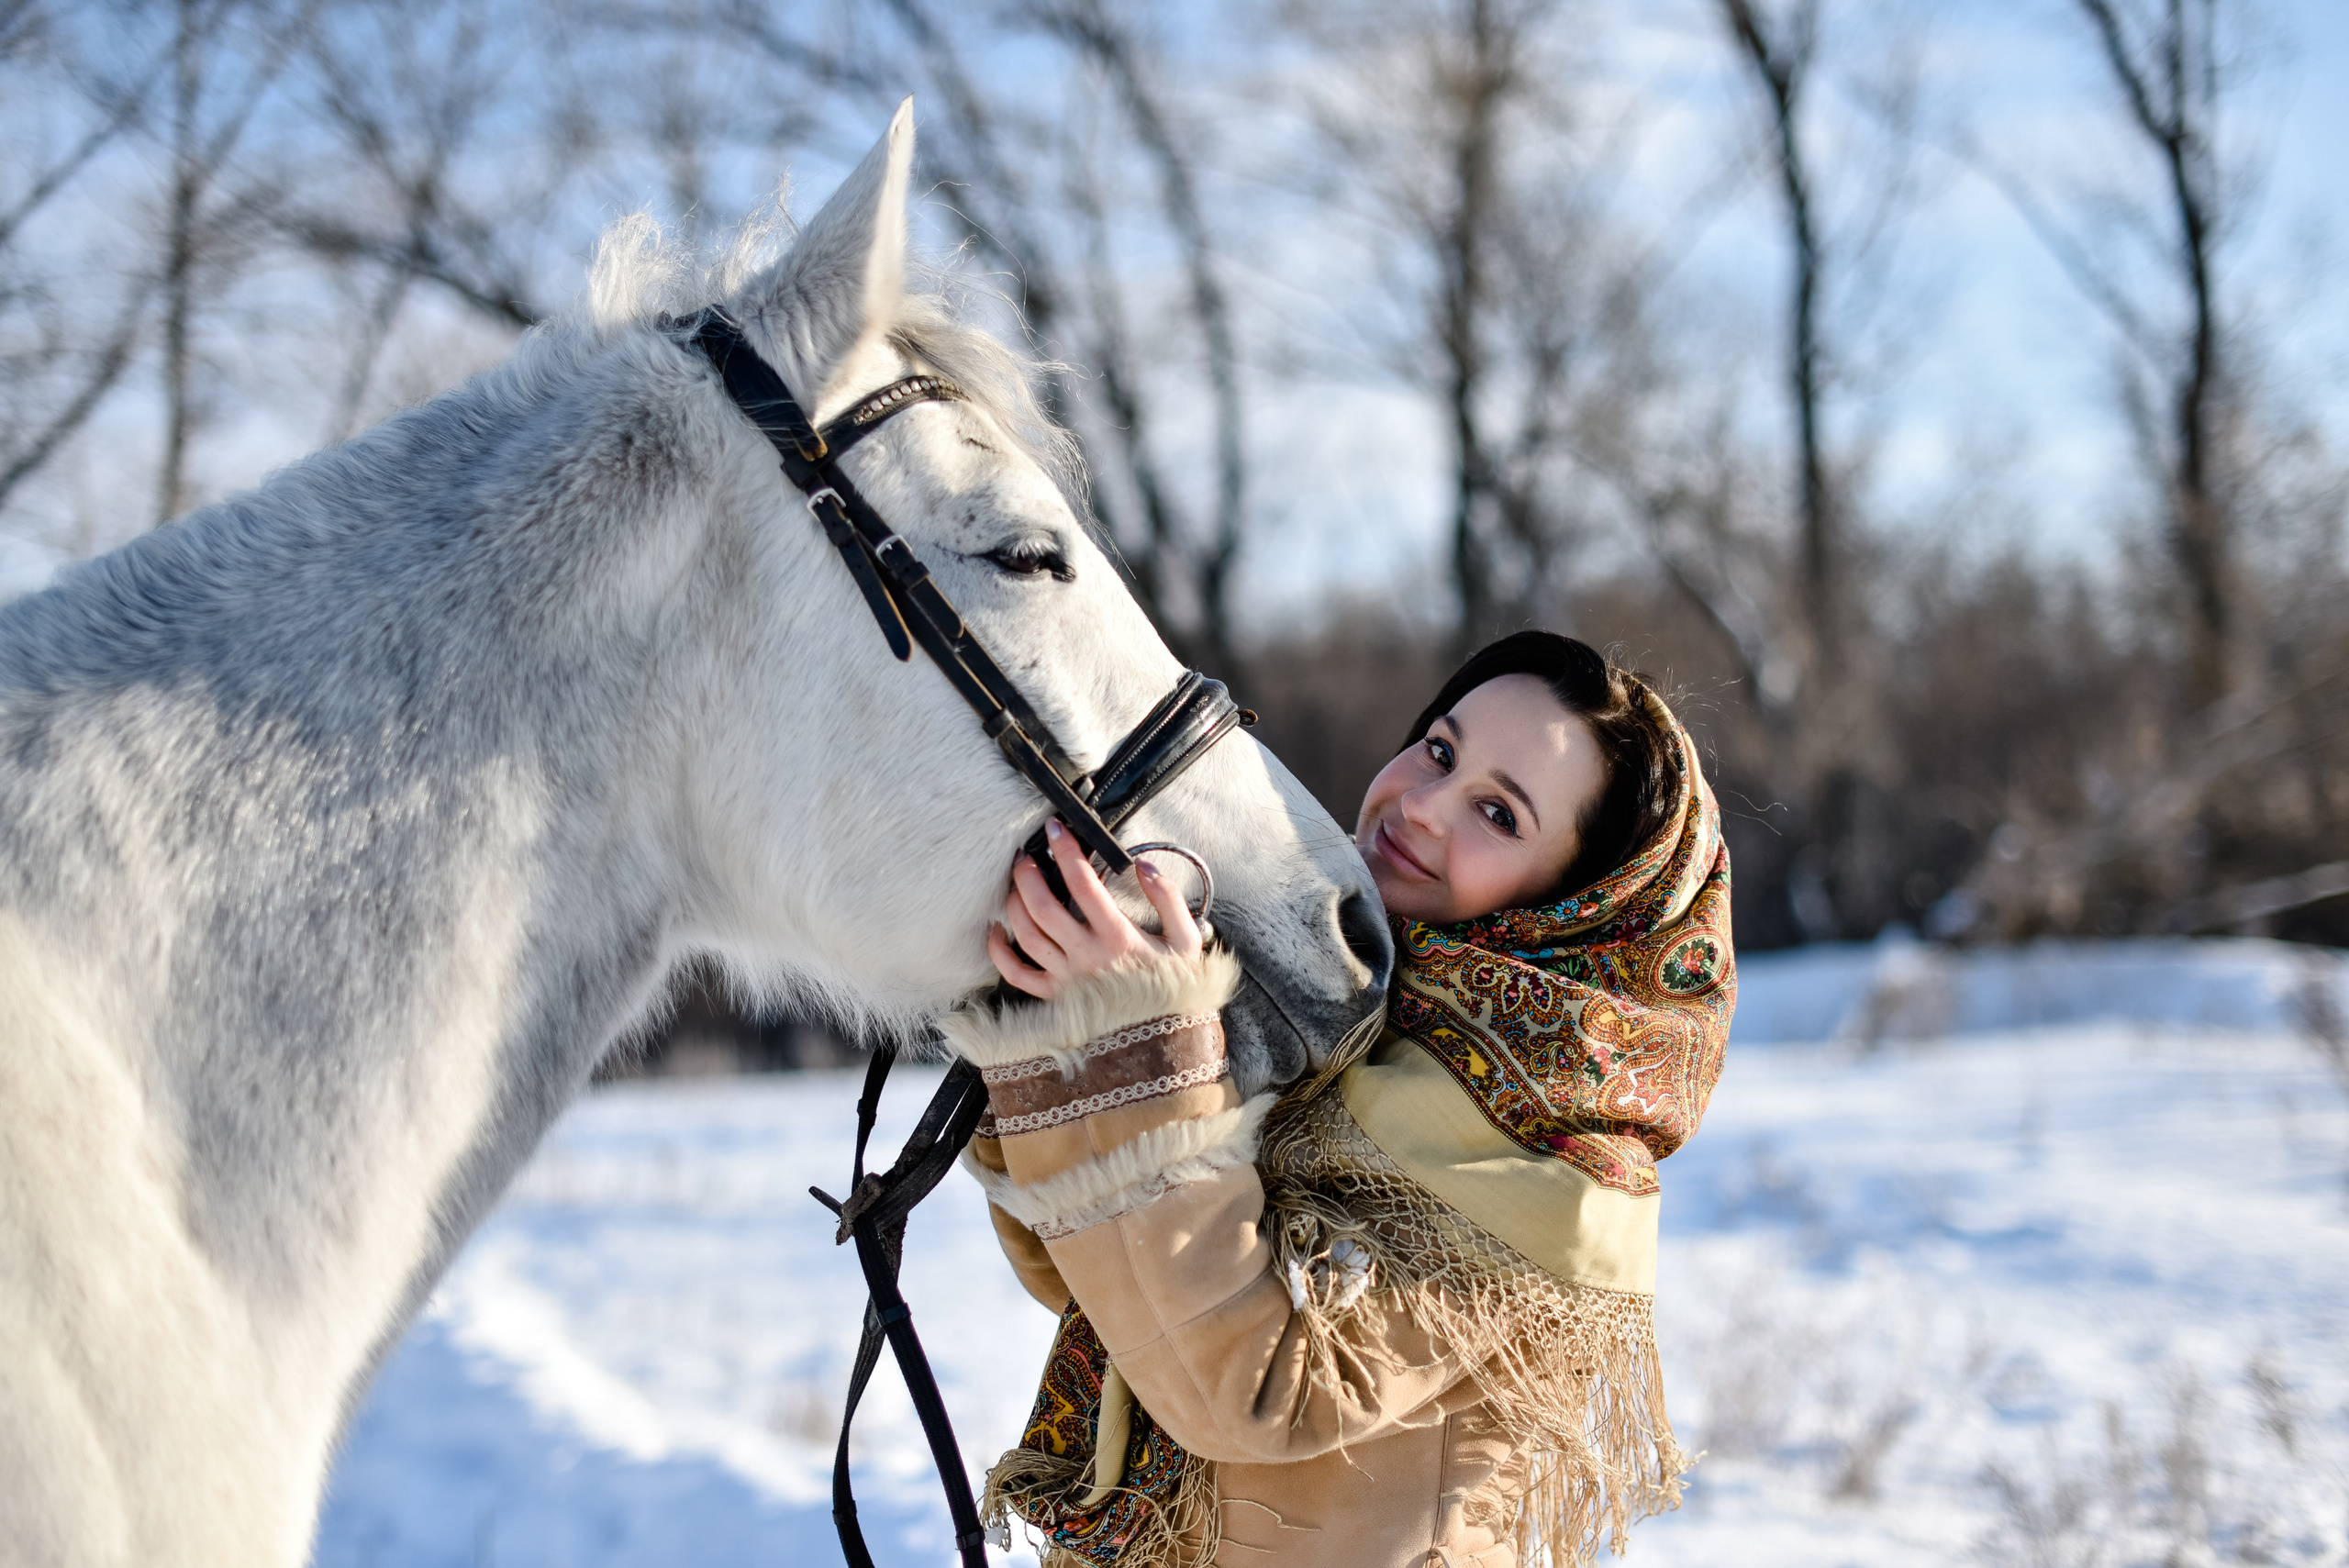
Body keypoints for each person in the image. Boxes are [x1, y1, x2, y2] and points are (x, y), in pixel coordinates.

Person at [941, 631, 1735, 1568]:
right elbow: (1103, 1292)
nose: (1425, 804)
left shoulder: (1552, 1155)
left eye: (1497, 811)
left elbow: (1251, 1385)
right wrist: (1064, 1005)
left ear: (1578, 904)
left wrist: (1143, 1044)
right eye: (1439, 749)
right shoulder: (1334, 1019)